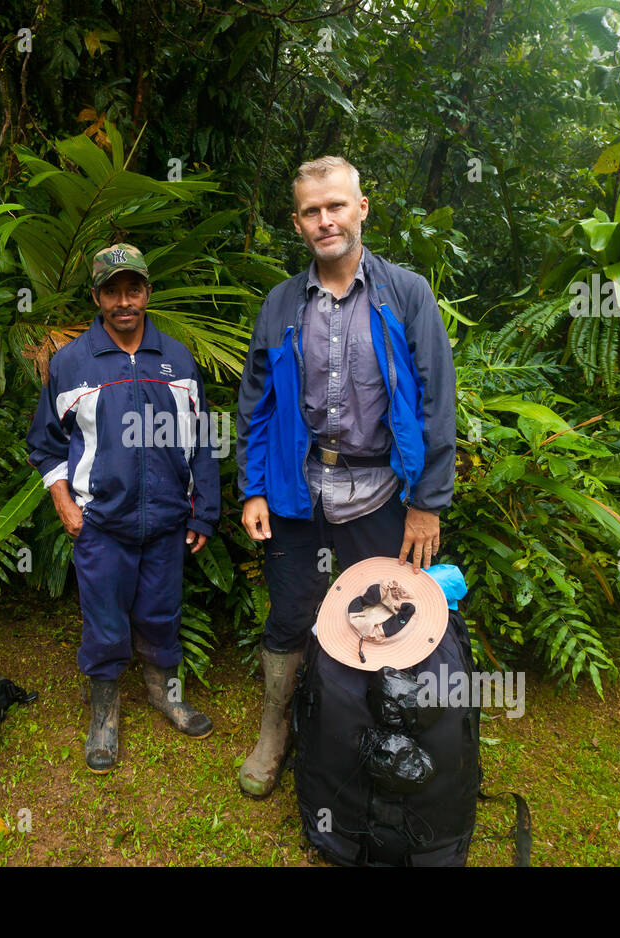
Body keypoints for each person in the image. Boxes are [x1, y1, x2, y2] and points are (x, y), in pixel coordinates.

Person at [234, 156, 457, 797]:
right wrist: (251, 486)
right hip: (297, 494)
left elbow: (437, 402)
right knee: (290, 615)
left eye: (336, 205)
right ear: (299, 222)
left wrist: (427, 503)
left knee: (382, 616)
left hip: (382, 493)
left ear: (362, 209)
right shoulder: (281, 303)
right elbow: (256, 404)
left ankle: (368, 734)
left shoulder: (406, 293)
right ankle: (276, 728)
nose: (325, 219)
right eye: (311, 210)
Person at [27, 243, 220, 773]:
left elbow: (201, 440)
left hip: (166, 520)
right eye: (112, 290)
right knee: (105, 621)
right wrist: (64, 502)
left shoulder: (177, 359)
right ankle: (104, 710)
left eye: (133, 288)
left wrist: (203, 509)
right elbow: (45, 444)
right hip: (101, 523)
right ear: (96, 296)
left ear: (147, 293)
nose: (124, 301)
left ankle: (166, 693)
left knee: (161, 613)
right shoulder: (71, 363)